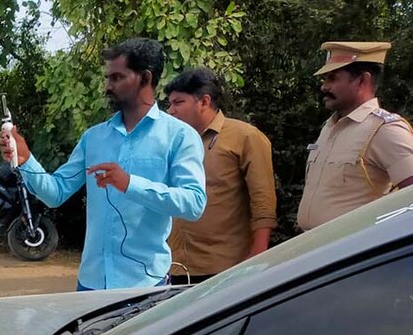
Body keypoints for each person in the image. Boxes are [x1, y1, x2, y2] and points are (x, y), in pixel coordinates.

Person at [0, 37, 206, 291]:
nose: (108, 86)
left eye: (117, 77)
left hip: (145, 286)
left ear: (145, 78)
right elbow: (55, 193)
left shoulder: (179, 137)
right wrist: (25, 159)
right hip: (90, 283)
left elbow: (194, 203)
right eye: (108, 78)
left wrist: (130, 183)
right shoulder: (94, 138)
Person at [165, 68, 277, 283]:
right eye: (169, 104)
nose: (171, 111)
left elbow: (263, 201)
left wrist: (258, 255)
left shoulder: (245, 136)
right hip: (176, 267)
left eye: (178, 103)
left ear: (204, 102)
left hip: (225, 267)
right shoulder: (173, 142)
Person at [297, 41, 413, 231]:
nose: (324, 87)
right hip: (313, 248)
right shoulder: (330, 126)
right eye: (325, 79)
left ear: (362, 80)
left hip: (353, 252)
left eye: (333, 78)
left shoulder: (385, 129)